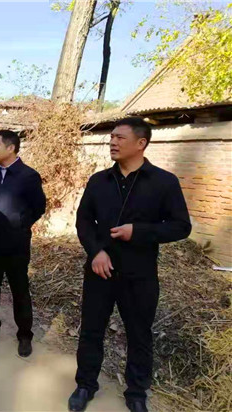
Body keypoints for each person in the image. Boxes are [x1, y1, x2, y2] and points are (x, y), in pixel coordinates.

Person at [68, 117, 191, 412]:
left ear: (141, 143)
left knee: (139, 334)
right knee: (91, 331)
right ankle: (85, 384)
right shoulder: (99, 181)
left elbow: (181, 226)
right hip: (99, 271)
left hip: (140, 274)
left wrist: (139, 231)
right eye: (111, 137)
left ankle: (136, 392)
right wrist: (96, 252)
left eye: (120, 138)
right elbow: (83, 221)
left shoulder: (164, 182)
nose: (112, 142)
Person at [0, 130, 46, 357]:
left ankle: (24, 335)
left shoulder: (29, 176)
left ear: (11, 148)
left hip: (16, 244)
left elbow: (39, 207)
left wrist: (20, 223)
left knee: (19, 289)